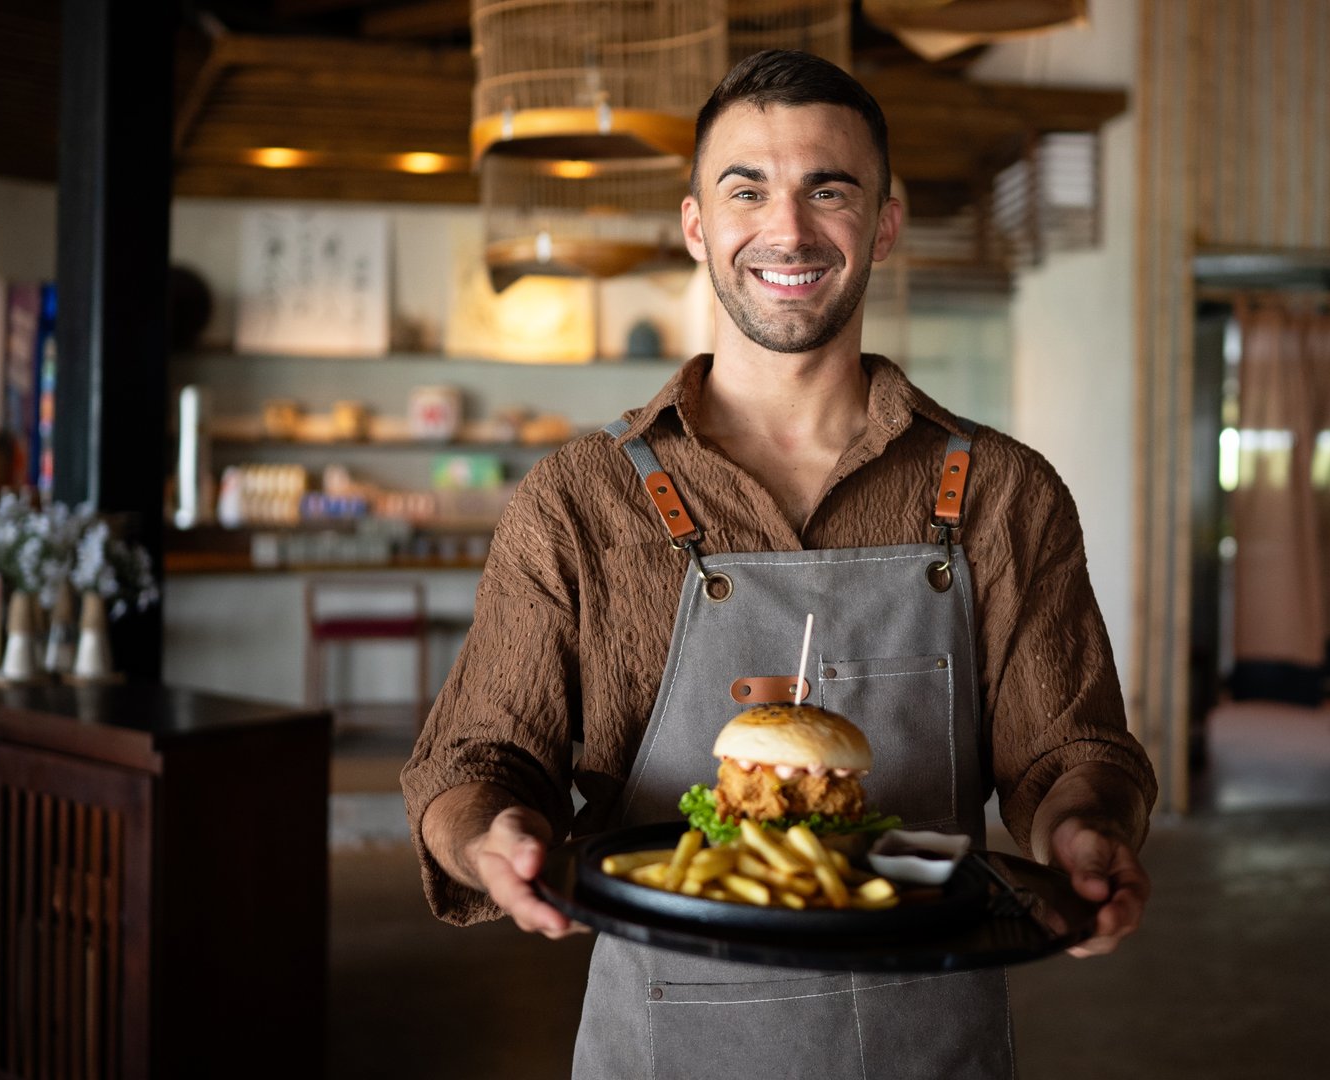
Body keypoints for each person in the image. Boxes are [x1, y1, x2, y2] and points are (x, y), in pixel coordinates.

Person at [402, 49, 1156, 1079]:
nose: (788, 230)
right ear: (695, 226)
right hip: (667, 1045)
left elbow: (1071, 758)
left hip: (927, 1043)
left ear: (882, 223)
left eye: (828, 190)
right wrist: (489, 834)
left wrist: (1084, 830)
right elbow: (471, 765)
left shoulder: (1003, 494)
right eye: (745, 188)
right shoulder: (575, 500)